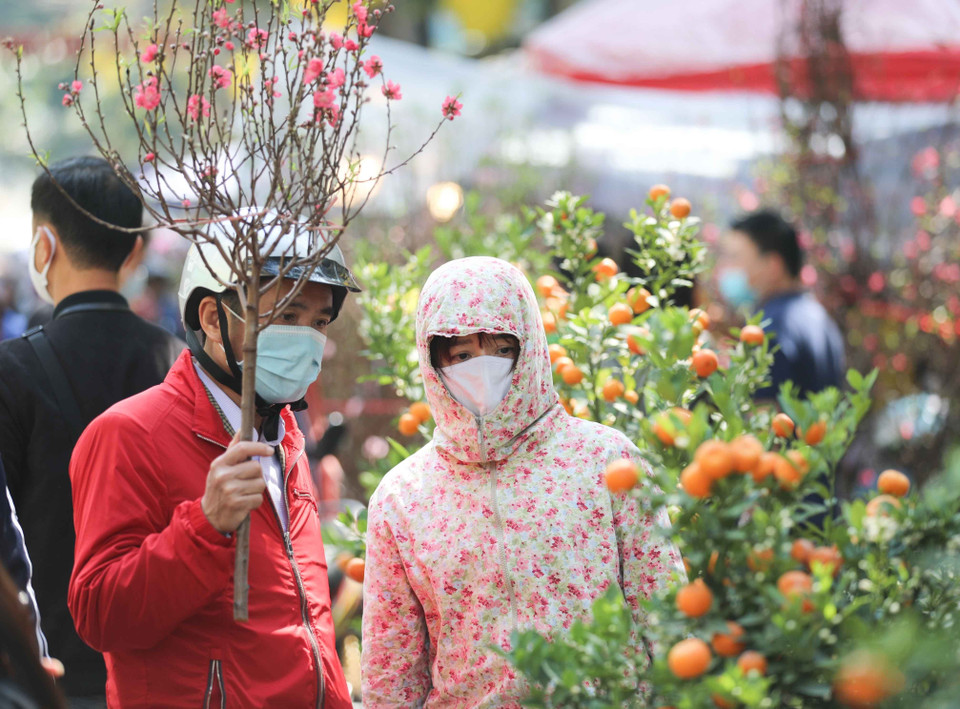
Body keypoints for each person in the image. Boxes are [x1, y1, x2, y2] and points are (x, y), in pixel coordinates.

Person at [361, 257, 682, 707]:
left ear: (529, 346)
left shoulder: (607, 461)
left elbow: (666, 613)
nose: (482, 368)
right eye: (462, 356)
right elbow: (391, 670)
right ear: (433, 360)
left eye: (501, 349)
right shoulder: (402, 498)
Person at [68, 214, 360, 707]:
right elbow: (99, 615)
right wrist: (205, 526)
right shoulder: (130, 433)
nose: (307, 338)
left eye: (319, 322)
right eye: (287, 316)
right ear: (211, 317)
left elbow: (307, 620)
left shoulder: (286, 433)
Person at [0, 156, 183, 703]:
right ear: (135, 252)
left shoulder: (12, 369)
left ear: (44, 244)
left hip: (47, 670)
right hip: (159, 667)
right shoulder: (181, 366)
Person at [717, 209, 845, 400]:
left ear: (773, 266)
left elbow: (761, 412)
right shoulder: (816, 314)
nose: (725, 268)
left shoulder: (770, 327)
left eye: (735, 258)